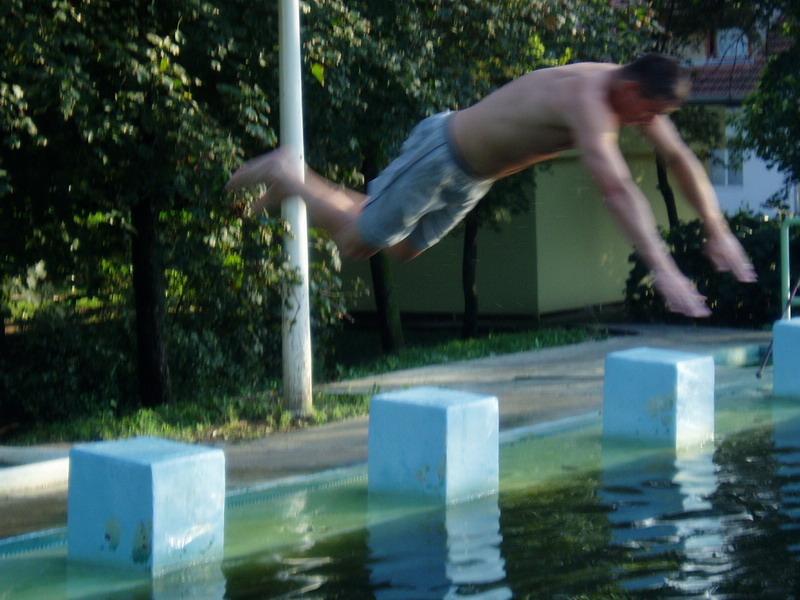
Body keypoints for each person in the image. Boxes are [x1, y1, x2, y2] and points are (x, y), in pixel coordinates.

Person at [225, 53, 756, 318]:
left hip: (472, 178)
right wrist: (665, 270)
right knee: (360, 239)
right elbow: (617, 189)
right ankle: (286, 173)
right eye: (651, 111)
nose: (650, 123)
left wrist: (719, 230)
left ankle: (294, 188)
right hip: (443, 155)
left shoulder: (627, 94)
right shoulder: (589, 101)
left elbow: (681, 158)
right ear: (634, 89)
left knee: (403, 247)